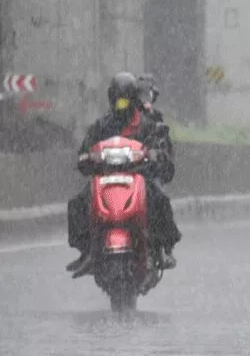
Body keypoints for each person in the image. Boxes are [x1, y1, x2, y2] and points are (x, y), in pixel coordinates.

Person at [65, 72, 182, 279]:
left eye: (125, 100)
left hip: (139, 177)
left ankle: (163, 248)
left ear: (134, 98)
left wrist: (156, 155)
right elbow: (85, 150)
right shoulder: (101, 126)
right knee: (78, 203)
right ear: (111, 98)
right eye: (117, 100)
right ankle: (86, 250)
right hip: (107, 178)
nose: (121, 105)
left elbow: (162, 149)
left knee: (159, 199)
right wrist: (85, 158)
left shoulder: (147, 125)